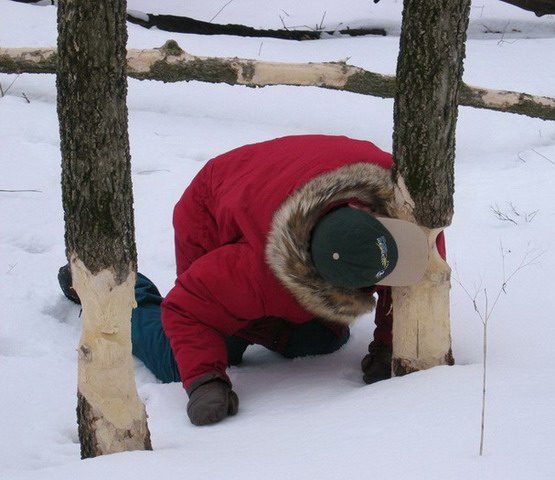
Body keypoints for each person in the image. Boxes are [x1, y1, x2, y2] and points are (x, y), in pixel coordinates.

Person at [59, 135, 446, 427]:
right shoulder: (255, 268)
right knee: (181, 356)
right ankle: (112, 289)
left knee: (322, 338)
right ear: (322, 281)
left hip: (279, 179)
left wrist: (389, 347)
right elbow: (188, 310)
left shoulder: (403, 206)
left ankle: (261, 325)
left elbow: (412, 277)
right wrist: (205, 381)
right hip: (211, 205)